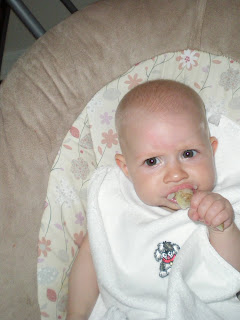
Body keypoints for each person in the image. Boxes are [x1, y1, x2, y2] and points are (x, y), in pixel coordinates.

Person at [67, 80, 240, 320]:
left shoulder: (225, 201)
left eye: (188, 154)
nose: (176, 174)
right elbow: (92, 258)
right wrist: (76, 315)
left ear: (212, 150)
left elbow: (233, 269)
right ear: (126, 170)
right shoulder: (115, 206)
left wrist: (224, 227)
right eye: (152, 161)